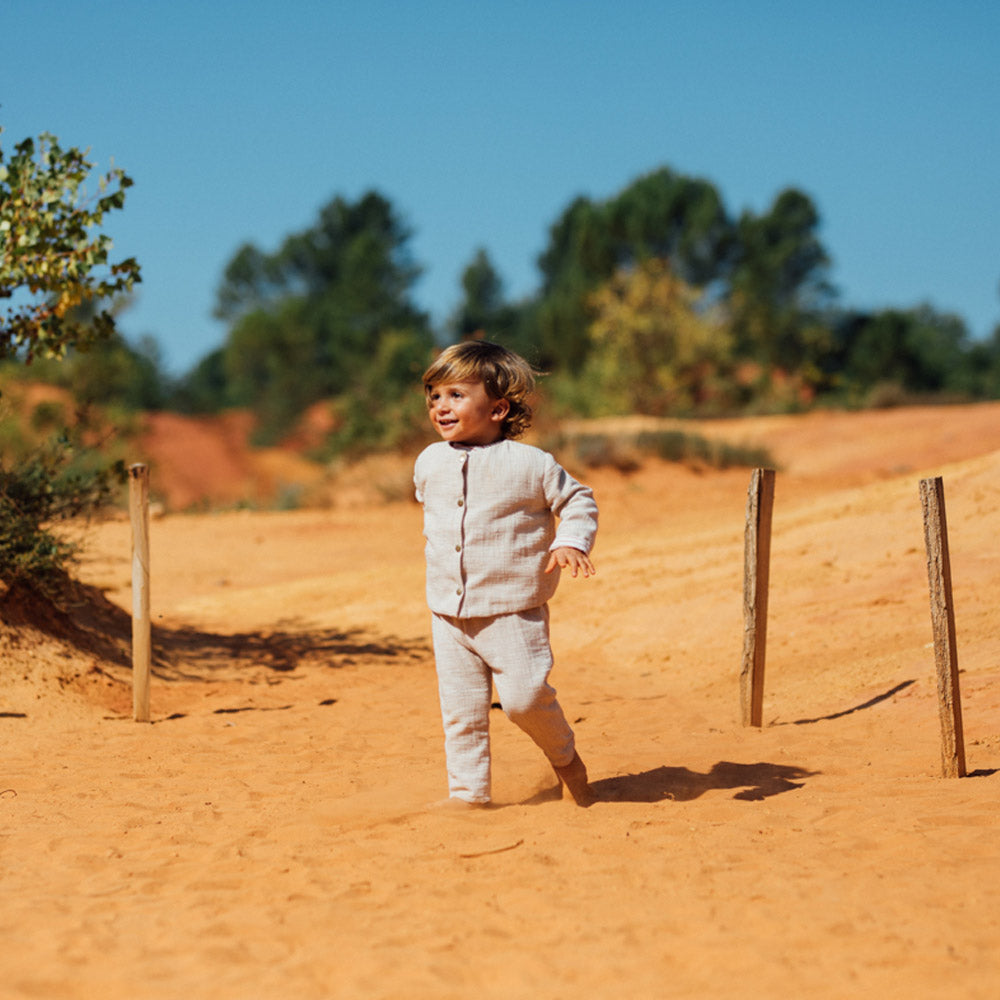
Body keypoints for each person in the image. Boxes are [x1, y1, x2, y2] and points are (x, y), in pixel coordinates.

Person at [413, 340, 599, 808]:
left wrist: (570, 540)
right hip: (448, 614)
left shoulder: (530, 464)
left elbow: (578, 499)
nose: (441, 406)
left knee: (524, 698)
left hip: (511, 612)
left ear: (497, 408)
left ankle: (564, 758)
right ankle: (469, 797)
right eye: (435, 395)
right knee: (462, 714)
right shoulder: (429, 461)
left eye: (456, 394)